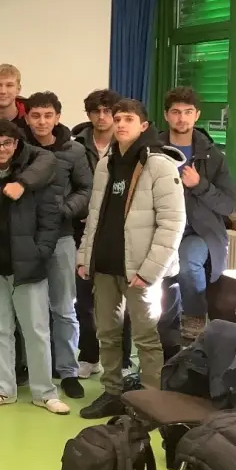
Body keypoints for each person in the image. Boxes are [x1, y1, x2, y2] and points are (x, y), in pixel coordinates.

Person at [78, 99, 185, 420]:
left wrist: (151, 271)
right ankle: (112, 392)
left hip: (142, 270)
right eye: (117, 118)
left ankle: (151, 405)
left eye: (129, 119)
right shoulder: (105, 162)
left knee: (147, 338)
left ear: (143, 125)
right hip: (105, 266)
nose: (120, 124)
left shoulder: (160, 164)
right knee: (107, 334)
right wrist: (85, 256)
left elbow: (173, 223)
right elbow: (94, 216)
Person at [0, 119, 70, 415]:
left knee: (36, 331)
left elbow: (50, 219)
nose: (1, 149)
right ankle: (2, 389)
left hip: (29, 266)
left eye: (7, 143)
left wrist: (41, 252)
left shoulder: (34, 178)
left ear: (17, 144)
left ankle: (45, 392)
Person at [23, 92, 93, 401]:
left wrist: (65, 209)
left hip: (62, 237)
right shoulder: (16, 147)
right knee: (28, 310)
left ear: (57, 117)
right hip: (22, 238)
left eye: (47, 115)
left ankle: (68, 371)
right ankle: (30, 367)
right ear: (27, 118)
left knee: (64, 308)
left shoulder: (73, 150)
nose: (41, 121)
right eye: (35, 115)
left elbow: (87, 188)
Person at [160, 86, 236, 345]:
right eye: (176, 112)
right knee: (161, 294)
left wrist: (199, 184)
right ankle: (164, 343)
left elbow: (227, 204)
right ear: (166, 115)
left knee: (188, 261)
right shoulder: (152, 150)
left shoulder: (213, 156)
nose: (182, 118)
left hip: (200, 232)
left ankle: (194, 317)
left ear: (197, 115)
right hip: (161, 229)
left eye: (188, 112)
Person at [71, 88, 123, 379]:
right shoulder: (76, 143)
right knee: (84, 298)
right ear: (89, 115)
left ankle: (124, 358)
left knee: (121, 298)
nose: (102, 117)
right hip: (83, 229)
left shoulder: (132, 143)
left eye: (107, 111)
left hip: (119, 232)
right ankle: (89, 355)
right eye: (96, 112)